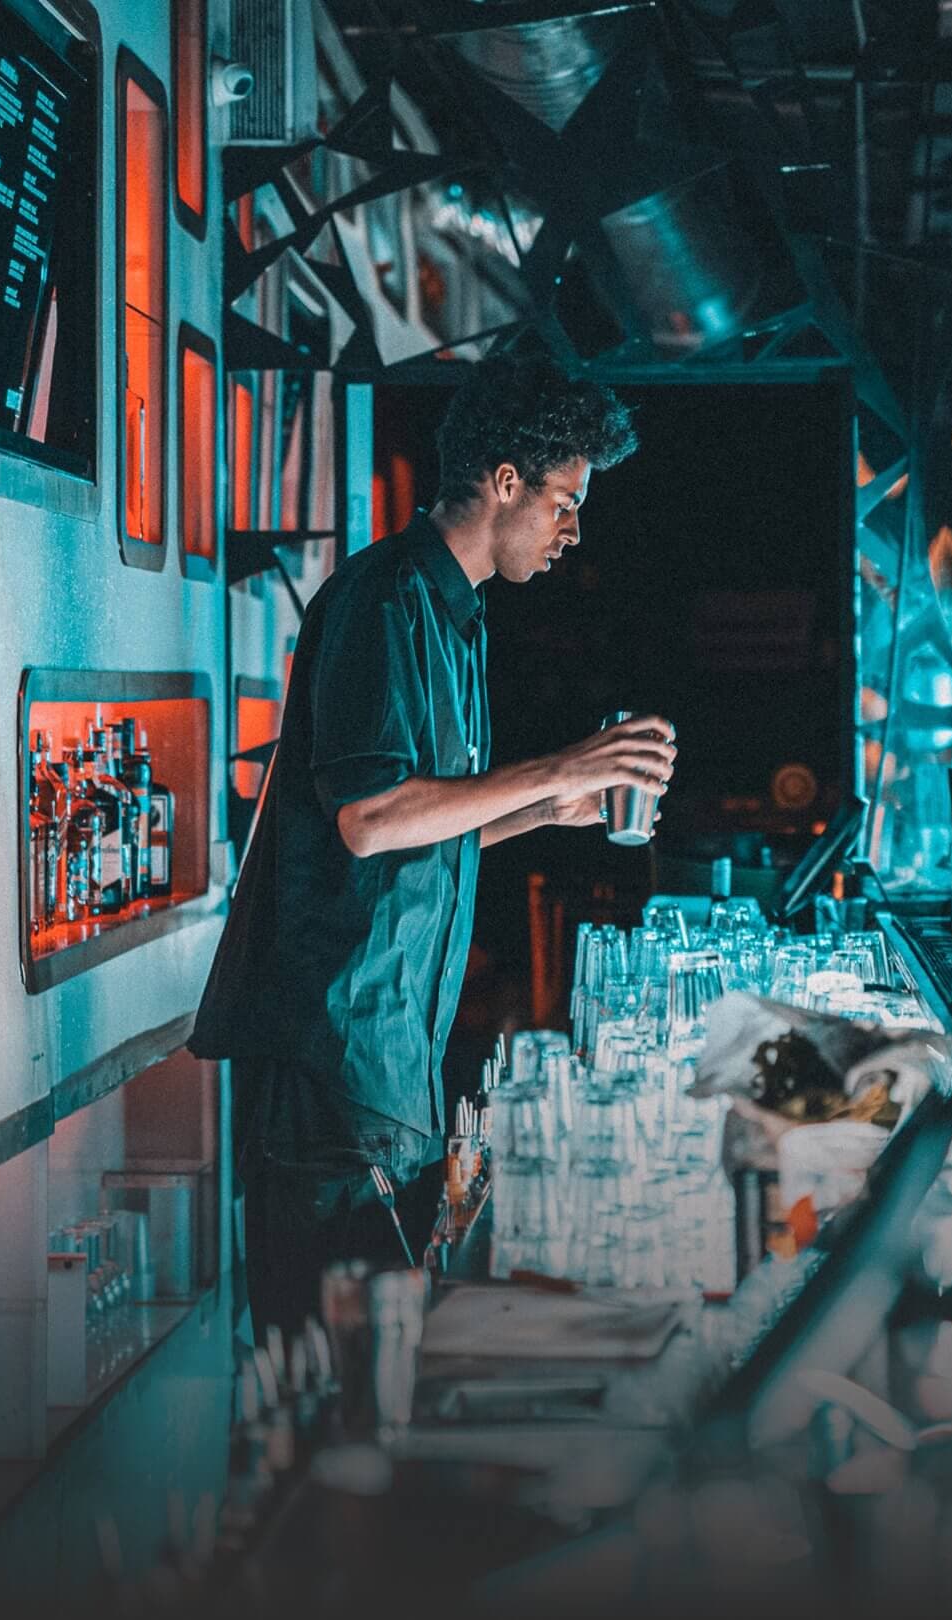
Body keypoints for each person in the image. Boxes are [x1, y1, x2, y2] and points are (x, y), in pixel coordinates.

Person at [190, 346, 678, 1343]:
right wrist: (558, 764)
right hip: (332, 1060)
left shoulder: (456, 617)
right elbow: (370, 819)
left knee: (383, 1354)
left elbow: (428, 828)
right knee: (330, 1361)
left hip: (390, 1057)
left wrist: (549, 810)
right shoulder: (383, 602)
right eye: (564, 502)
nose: (572, 531)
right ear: (505, 482)